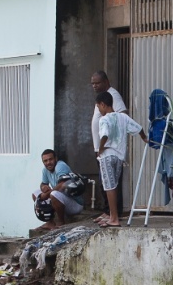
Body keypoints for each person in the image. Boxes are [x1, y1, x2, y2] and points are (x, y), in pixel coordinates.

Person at [95, 91, 147, 227]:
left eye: (98, 107)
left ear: (103, 104)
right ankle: (113, 215)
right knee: (114, 186)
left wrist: (100, 148)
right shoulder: (123, 117)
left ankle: (114, 218)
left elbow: (105, 134)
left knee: (109, 187)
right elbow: (139, 128)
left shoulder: (104, 119)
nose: (99, 110)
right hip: (119, 157)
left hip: (107, 156)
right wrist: (145, 138)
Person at [90, 70, 127, 220]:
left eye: (97, 83)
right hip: (101, 149)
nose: (94, 86)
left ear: (106, 81)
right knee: (104, 181)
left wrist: (107, 142)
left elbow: (123, 114)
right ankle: (109, 212)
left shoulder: (113, 95)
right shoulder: (103, 97)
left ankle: (112, 213)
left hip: (108, 149)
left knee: (110, 181)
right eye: (92, 83)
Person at [33, 149, 84, 230]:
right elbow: (43, 183)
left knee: (54, 194)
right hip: (61, 200)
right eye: (45, 161)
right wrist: (43, 187)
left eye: (50, 159)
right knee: (36, 193)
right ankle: (50, 222)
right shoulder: (45, 170)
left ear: (56, 158)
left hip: (75, 204)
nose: (48, 162)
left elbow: (62, 185)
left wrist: (46, 194)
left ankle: (61, 222)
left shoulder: (60, 166)